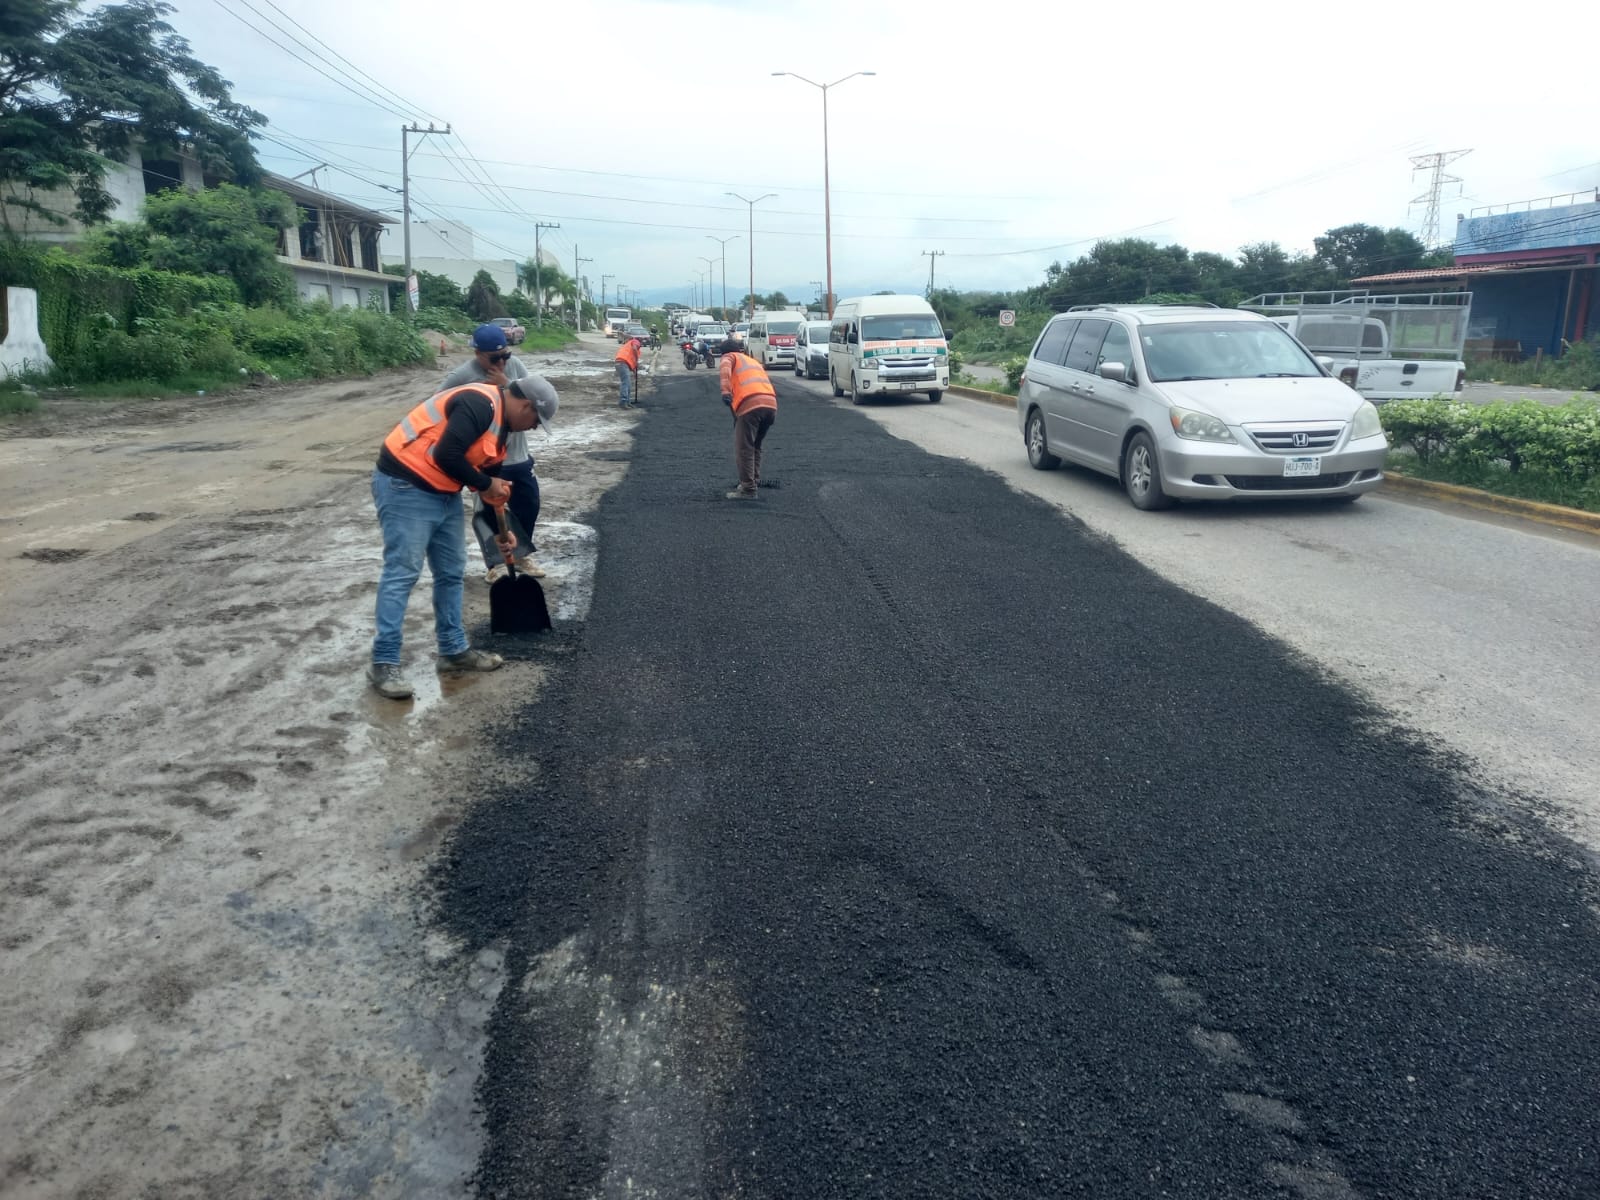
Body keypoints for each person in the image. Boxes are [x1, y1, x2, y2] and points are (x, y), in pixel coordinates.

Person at [367, 375, 543, 699]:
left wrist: (502, 536)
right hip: (404, 485)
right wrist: (486, 484)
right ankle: (384, 662)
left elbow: (489, 489)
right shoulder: (479, 403)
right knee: (403, 572)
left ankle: (453, 651)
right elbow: (446, 454)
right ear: (526, 405)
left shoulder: (501, 432)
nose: (534, 428)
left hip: (443, 491)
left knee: (451, 573)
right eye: (536, 420)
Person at [440, 324, 553, 581]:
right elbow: (439, 405)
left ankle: (521, 555)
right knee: (488, 510)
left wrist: (507, 385)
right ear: (478, 353)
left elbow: (530, 398)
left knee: (529, 503)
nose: (502, 362)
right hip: (484, 458)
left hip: (516, 454)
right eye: (495, 358)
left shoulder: (514, 369)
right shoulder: (462, 376)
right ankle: (495, 564)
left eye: (506, 356)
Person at [718, 337, 777, 500]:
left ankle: (748, 490)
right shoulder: (752, 361)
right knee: (755, 445)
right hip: (771, 405)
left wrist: (725, 392)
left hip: (751, 405)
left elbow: (724, 369)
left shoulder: (729, 357)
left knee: (744, 448)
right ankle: (753, 481)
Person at [614, 336, 643, 408]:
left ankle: (627, 401)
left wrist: (634, 371)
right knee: (625, 383)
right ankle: (623, 402)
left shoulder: (628, 345)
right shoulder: (635, 341)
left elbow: (631, 362)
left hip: (621, 363)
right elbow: (634, 348)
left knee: (628, 384)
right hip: (622, 363)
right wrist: (636, 360)